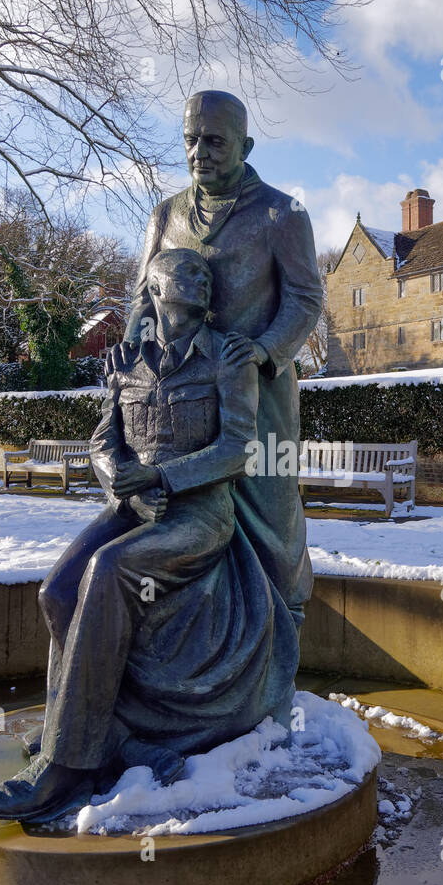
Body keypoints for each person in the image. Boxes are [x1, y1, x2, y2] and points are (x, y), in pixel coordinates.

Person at [0, 249, 297, 824]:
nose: (200, 279)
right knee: (56, 591)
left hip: (198, 513)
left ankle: (65, 764)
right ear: (154, 287)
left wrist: (162, 477)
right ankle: (93, 730)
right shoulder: (125, 357)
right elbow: (105, 441)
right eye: (186, 272)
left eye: (205, 274)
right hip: (135, 505)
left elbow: (238, 448)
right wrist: (121, 483)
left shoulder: (229, 356)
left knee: (111, 570)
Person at [125, 90, 323, 637]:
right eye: (190, 139)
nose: (199, 152)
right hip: (184, 395)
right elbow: (141, 296)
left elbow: (305, 299)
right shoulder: (165, 214)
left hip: (260, 393)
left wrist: (263, 348)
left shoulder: (283, 212)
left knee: (272, 514)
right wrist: (135, 357)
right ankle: (194, 641)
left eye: (214, 140)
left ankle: (279, 638)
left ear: (245, 144)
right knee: (184, 511)